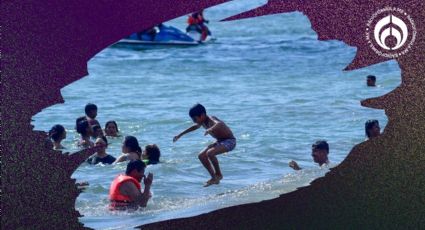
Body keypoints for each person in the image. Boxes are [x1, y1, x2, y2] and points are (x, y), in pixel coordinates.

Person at [173, 103, 236, 186]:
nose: (194, 121)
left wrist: (210, 129)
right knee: (201, 155)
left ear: (202, 115)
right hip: (220, 141)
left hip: (230, 141)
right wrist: (180, 135)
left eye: (195, 119)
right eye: (193, 119)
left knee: (210, 153)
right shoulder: (202, 121)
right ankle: (214, 178)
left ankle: (218, 175)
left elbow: (219, 124)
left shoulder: (211, 119)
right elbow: (194, 127)